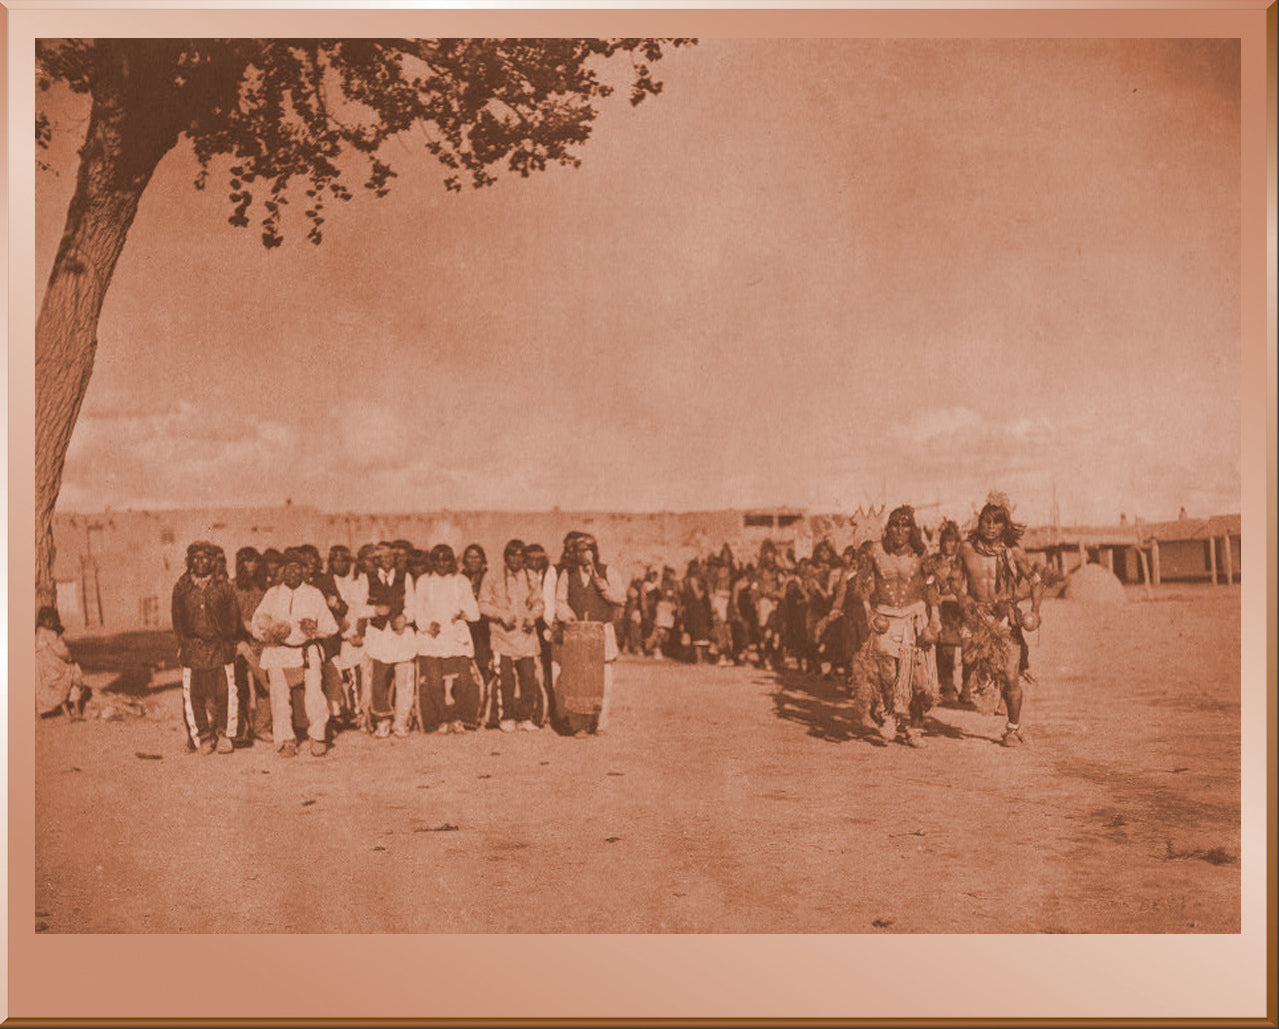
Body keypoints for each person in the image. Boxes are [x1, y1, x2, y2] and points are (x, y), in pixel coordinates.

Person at [955, 496, 1045, 747]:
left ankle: (1012, 729)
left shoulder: (1013, 552)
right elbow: (954, 578)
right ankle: (977, 686)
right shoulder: (965, 549)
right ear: (979, 522)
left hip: (1005, 617)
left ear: (1005, 526)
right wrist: (962, 598)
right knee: (969, 659)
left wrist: (1035, 611)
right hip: (975, 618)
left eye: (997, 522)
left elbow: (1036, 580)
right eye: (986, 521)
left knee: (1011, 677)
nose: (991, 527)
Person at [850, 506, 940, 748]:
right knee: (887, 674)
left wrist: (935, 618)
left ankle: (916, 728)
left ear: (913, 529)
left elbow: (932, 585)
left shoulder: (923, 553)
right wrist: (869, 613)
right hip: (885, 619)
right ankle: (890, 714)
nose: (900, 530)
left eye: (905, 525)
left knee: (919, 680)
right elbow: (863, 582)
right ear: (887, 528)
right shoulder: (874, 551)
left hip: (915, 617)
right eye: (895, 525)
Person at [251, 548, 338, 757]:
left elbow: (332, 627)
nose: (292, 572)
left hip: (306, 651)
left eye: (297, 568)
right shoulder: (272, 594)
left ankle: (317, 736)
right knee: (279, 695)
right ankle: (285, 740)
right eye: (287, 568)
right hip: (277, 651)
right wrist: (268, 631)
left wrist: (315, 629)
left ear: (304, 571)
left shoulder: (314, 593)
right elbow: (256, 624)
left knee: (315, 693)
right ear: (281, 571)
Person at [171, 541, 242, 754]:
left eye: (205, 558)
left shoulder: (223, 587)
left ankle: (224, 735)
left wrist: (226, 642)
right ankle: (202, 736)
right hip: (193, 650)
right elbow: (177, 621)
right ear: (189, 561)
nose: (201, 562)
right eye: (196, 558)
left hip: (219, 649)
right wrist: (186, 644)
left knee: (225, 694)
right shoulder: (182, 588)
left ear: (212, 562)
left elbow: (233, 620)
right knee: (194, 696)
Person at [554, 533, 626, 735]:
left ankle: (599, 723)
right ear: (574, 553)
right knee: (578, 679)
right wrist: (568, 616)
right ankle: (579, 724)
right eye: (580, 550)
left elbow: (621, 598)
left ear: (595, 551)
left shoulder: (607, 571)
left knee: (605, 680)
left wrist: (600, 584)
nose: (585, 554)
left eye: (589, 549)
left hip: (602, 631)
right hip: (578, 634)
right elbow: (560, 601)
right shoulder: (567, 574)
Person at [412, 543, 482, 733]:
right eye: (438, 559)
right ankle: (441, 719)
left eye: (446, 559)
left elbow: (475, 613)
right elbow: (417, 612)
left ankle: (460, 718)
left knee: (464, 678)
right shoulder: (423, 581)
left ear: (452, 561)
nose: (442, 563)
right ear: (432, 561)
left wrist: (461, 613)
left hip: (455, 639)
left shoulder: (461, 581)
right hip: (431, 640)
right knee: (434, 680)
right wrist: (428, 625)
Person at [478, 539, 546, 731]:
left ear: (524, 558)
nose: (515, 559)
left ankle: (525, 716)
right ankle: (506, 716)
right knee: (505, 679)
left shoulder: (531, 577)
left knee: (528, 678)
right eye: (512, 555)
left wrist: (533, 617)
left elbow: (539, 603)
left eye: (519, 555)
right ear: (505, 556)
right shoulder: (492, 576)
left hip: (526, 637)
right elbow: (482, 604)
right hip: (502, 637)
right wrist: (501, 614)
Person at [363, 542, 416, 739]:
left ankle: (401, 722)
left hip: (401, 637)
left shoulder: (405, 578)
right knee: (378, 681)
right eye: (381, 557)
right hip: (379, 637)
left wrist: (406, 618)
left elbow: (413, 605)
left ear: (395, 558)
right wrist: (374, 611)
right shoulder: (366, 579)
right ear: (375, 559)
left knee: (404, 681)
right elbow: (356, 608)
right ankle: (382, 720)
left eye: (389, 557)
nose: (386, 561)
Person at [925, 520, 966, 703]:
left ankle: (967, 689)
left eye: (953, 541)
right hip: (943, 609)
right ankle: (947, 687)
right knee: (946, 650)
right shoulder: (935, 562)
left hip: (963, 609)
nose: (950, 545)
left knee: (969, 649)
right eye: (946, 541)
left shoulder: (963, 562)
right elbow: (930, 586)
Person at [232, 546, 270, 743]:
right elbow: (229, 616)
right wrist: (244, 625)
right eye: (247, 561)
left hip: (260, 642)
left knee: (264, 684)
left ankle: (262, 727)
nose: (251, 565)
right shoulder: (232, 587)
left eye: (255, 561)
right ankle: (242, 727)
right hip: (239, 642)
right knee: (240, 687)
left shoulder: (263, 587)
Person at [461, 543, 497, 726]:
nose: (473, 561)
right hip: (464, 629)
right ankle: (469, 712)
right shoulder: (459, 578)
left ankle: (485, 712)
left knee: (485, 668)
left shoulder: (490, 578)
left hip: (484, 630)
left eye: (477, 557)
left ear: (483, 560)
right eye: (470, 557)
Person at [523, 542, 558, 728]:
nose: (534, 563)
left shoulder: (549, 573)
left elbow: (549, 600)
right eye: (530, 559)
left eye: (538, 559)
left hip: (545, 624)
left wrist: (549, 624)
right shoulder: (524, 575)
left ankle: (550, 709)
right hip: (528, 623)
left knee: (547, 668)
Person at [35, 605, 88, 719]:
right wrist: (68, 657)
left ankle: (72, 713)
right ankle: (74, 712)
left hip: (51, 667)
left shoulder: (41, 633)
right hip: (54, 666)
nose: (51, 622)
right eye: (48, 620)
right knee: (71, 679)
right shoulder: (49, 633)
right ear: (44, 620)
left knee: (63, 688)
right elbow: (61, 650)